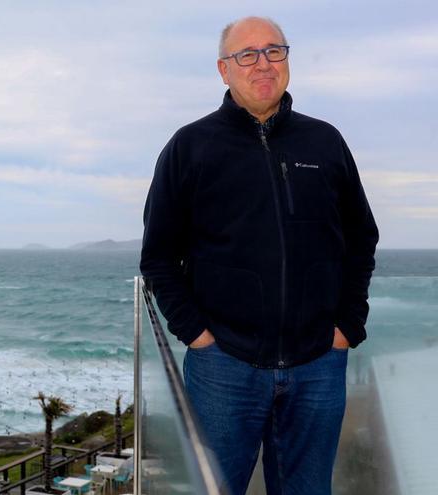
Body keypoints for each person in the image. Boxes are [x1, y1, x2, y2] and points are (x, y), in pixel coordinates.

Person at [139, 16, 379, 495]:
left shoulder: (325, 141)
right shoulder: (190, 147)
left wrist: (348, 325)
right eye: (247, 55)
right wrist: (198, 335)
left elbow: (361, 238)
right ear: (224, 70)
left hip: (318, 364)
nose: (263, 63)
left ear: (287, 60)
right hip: (224, 367)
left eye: (274, 51)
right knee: (214, 488)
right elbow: (158, 257)